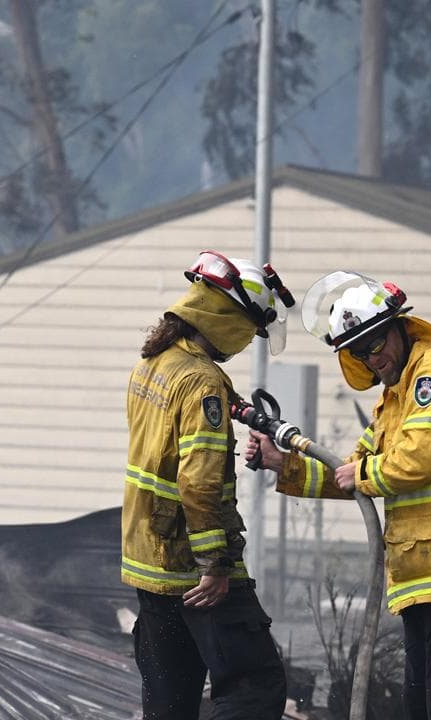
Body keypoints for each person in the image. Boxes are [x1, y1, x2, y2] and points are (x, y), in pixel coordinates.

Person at [245, 271, 431, 720]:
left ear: (400, 328)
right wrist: (283, 464)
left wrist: (363, 472)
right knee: (423, 708)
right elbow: (348, 474)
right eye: (357, 351)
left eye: (376, 343)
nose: (372, 358)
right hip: (422, 576)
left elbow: (418, 458)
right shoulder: (392, 399)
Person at [123, 250, 293, 720]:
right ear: (225, 317)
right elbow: (197, 485)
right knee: (255, 686)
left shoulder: (153, 365)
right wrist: (215, 564)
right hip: (197, 568)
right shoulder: (202, 383)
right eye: (248, 331)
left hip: (150, 564)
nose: (243, 344)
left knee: (170, 701)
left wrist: (231, 401)